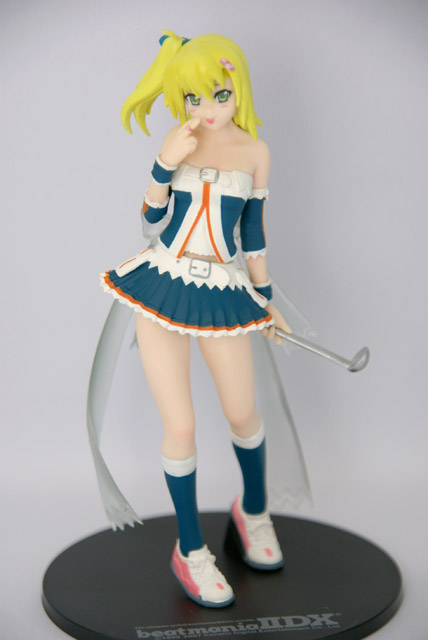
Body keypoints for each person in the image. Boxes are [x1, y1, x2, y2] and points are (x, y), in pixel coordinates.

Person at [96, 30, 308, 608]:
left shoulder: (256, 152)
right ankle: (190, 549)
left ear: (238, 88)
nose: (208, 109)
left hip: (222, 288)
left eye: (219, 94)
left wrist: (266, 300)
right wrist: (164, 162)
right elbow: (150, 221)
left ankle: (253, 511)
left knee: (242, 413)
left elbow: (253, 237)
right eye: (194, 98)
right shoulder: (180, 142)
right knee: (182, 427)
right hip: (162, 284)